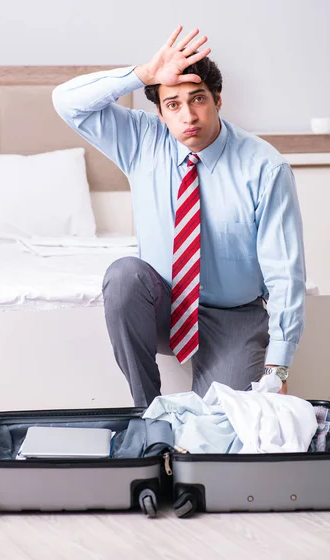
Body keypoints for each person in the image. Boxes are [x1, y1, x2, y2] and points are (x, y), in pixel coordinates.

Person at [52, 25, 306, 407]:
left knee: (223, 426)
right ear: (159, 110)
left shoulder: (265, 167)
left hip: (234, 316)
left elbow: (284, 272)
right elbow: (66, 101)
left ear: (218, 100)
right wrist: (144, 73)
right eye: (173, 104)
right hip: (164, 307)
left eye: (197, 99)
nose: (188, 115)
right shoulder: (142, 140)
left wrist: (278, 369)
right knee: (123, 275)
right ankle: (147, 412)